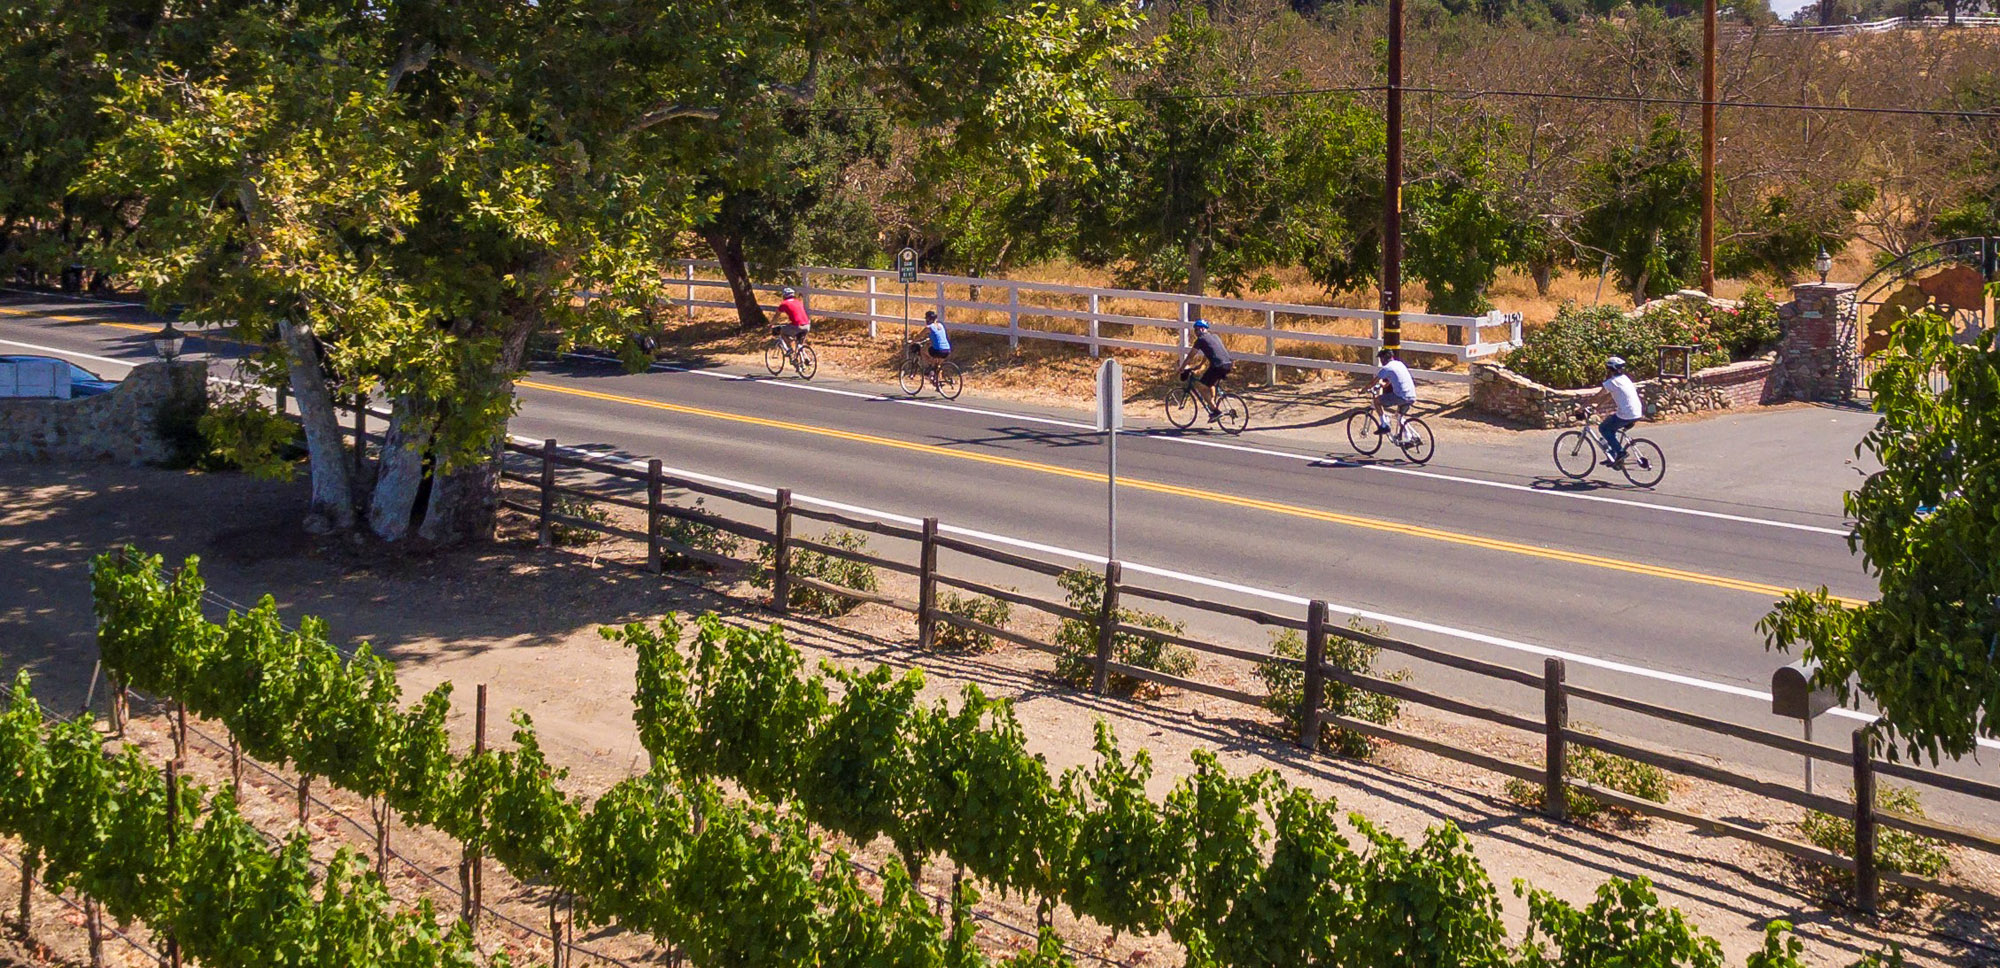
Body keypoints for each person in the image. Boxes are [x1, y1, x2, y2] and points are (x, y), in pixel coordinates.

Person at [1178, 317, 1234, 420]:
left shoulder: (1200, 340)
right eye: (1195, 329)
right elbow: (1209, 352)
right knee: (1210, 383)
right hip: (1228, 364)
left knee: (1200, 386)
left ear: (1204, 329)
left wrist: (1182, 367)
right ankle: (1212, 405)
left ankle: (1216, 411)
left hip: (1217, 366)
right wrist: (1200, 365)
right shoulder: (1215, 336)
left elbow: (1191, 355)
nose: (1196, 331)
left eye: (1198, 329)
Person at [1598, 356, 1643, 467]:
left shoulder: (1611, 382)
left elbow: (1598, 395)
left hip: (1626, 414)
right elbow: (1610, 395)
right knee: (1611, 428)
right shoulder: (1625, 379)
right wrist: (1599, 406)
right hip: (1637, 412)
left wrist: (1582, 407)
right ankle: (1613, 456)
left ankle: (1620, 452)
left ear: (1609, 369)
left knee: (1603, 428)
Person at [1372, 347, 1418, 443]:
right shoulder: (1399, 364)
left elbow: (1373, 382)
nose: (1381, 361)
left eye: (1381, 359)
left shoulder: (1386, 368)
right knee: (1399, 416)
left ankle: (1384, 425)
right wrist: (1385, 384)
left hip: (1401, 397)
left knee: (1376, 401)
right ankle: (1411, 437)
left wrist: (1363, 390)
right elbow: (1394, 377)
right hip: (1411, 395)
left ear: (1384, 358)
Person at [772, 286, 811, 357]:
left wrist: (771, 324)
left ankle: (789, 349)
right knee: (800, 344)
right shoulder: (798, 302)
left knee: (782, 332)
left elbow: (776, 315)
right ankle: (805, 358)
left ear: (784, 296)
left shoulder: (784, 304)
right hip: (807, 325)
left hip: (797, 326)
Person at [912, 310, 951, 378]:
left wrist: (912, 342)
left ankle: (928, 367)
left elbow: (919, 336)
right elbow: (938, 337)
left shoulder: (929, 328)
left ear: (928, 319)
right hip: (947, 350)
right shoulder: (940, 325)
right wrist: (929, 340)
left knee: (923, 350)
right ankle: (938, 382)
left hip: (938, 350)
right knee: (937, 366)